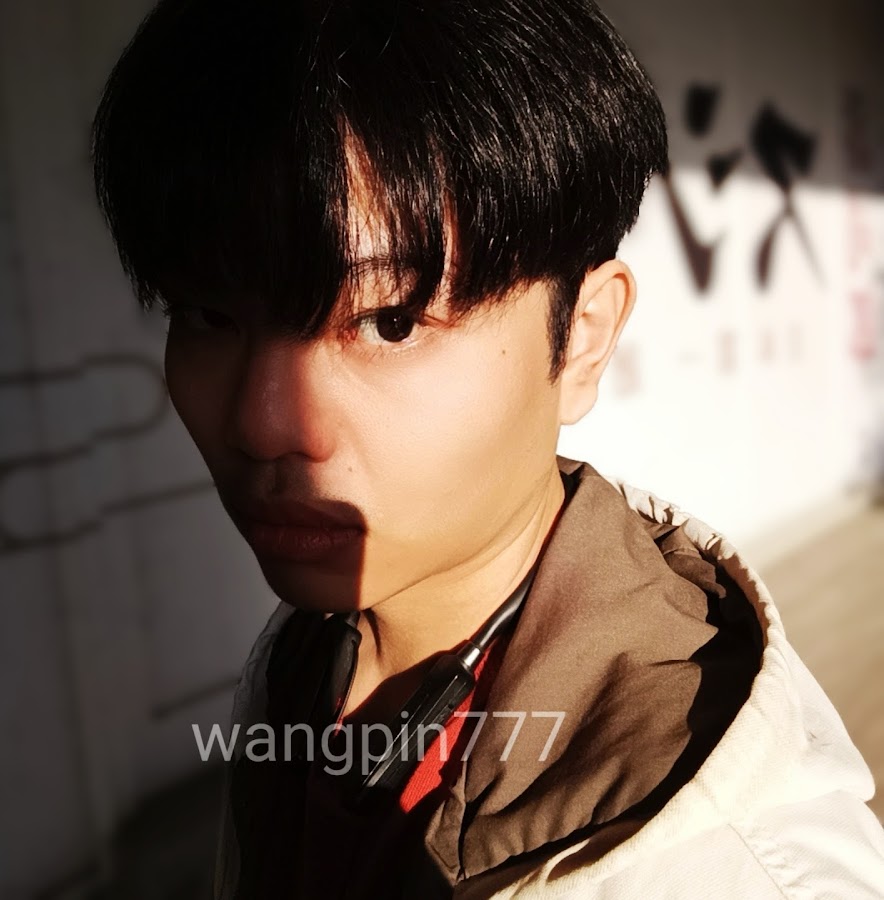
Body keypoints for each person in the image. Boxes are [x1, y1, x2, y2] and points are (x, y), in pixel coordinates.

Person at [91, 0, 884, 896]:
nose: (262, 424)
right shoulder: (307, 655)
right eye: (208, 314)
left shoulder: (734, 866)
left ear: (582, 336)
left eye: (390, 321)